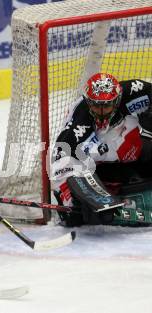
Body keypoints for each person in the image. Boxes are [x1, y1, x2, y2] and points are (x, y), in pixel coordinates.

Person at [51, 73, 152, 226]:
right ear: (88, 102)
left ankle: (133, 174)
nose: (101, 111)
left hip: (125, 147)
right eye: (96, 105)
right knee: (79, 217)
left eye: (106, 105)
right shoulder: (79, 124)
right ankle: (109, 183)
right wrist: (69, 200)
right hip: (94, 159)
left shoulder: (132, 91)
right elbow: (60, 158)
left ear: (117, 101)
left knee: (138, 131)